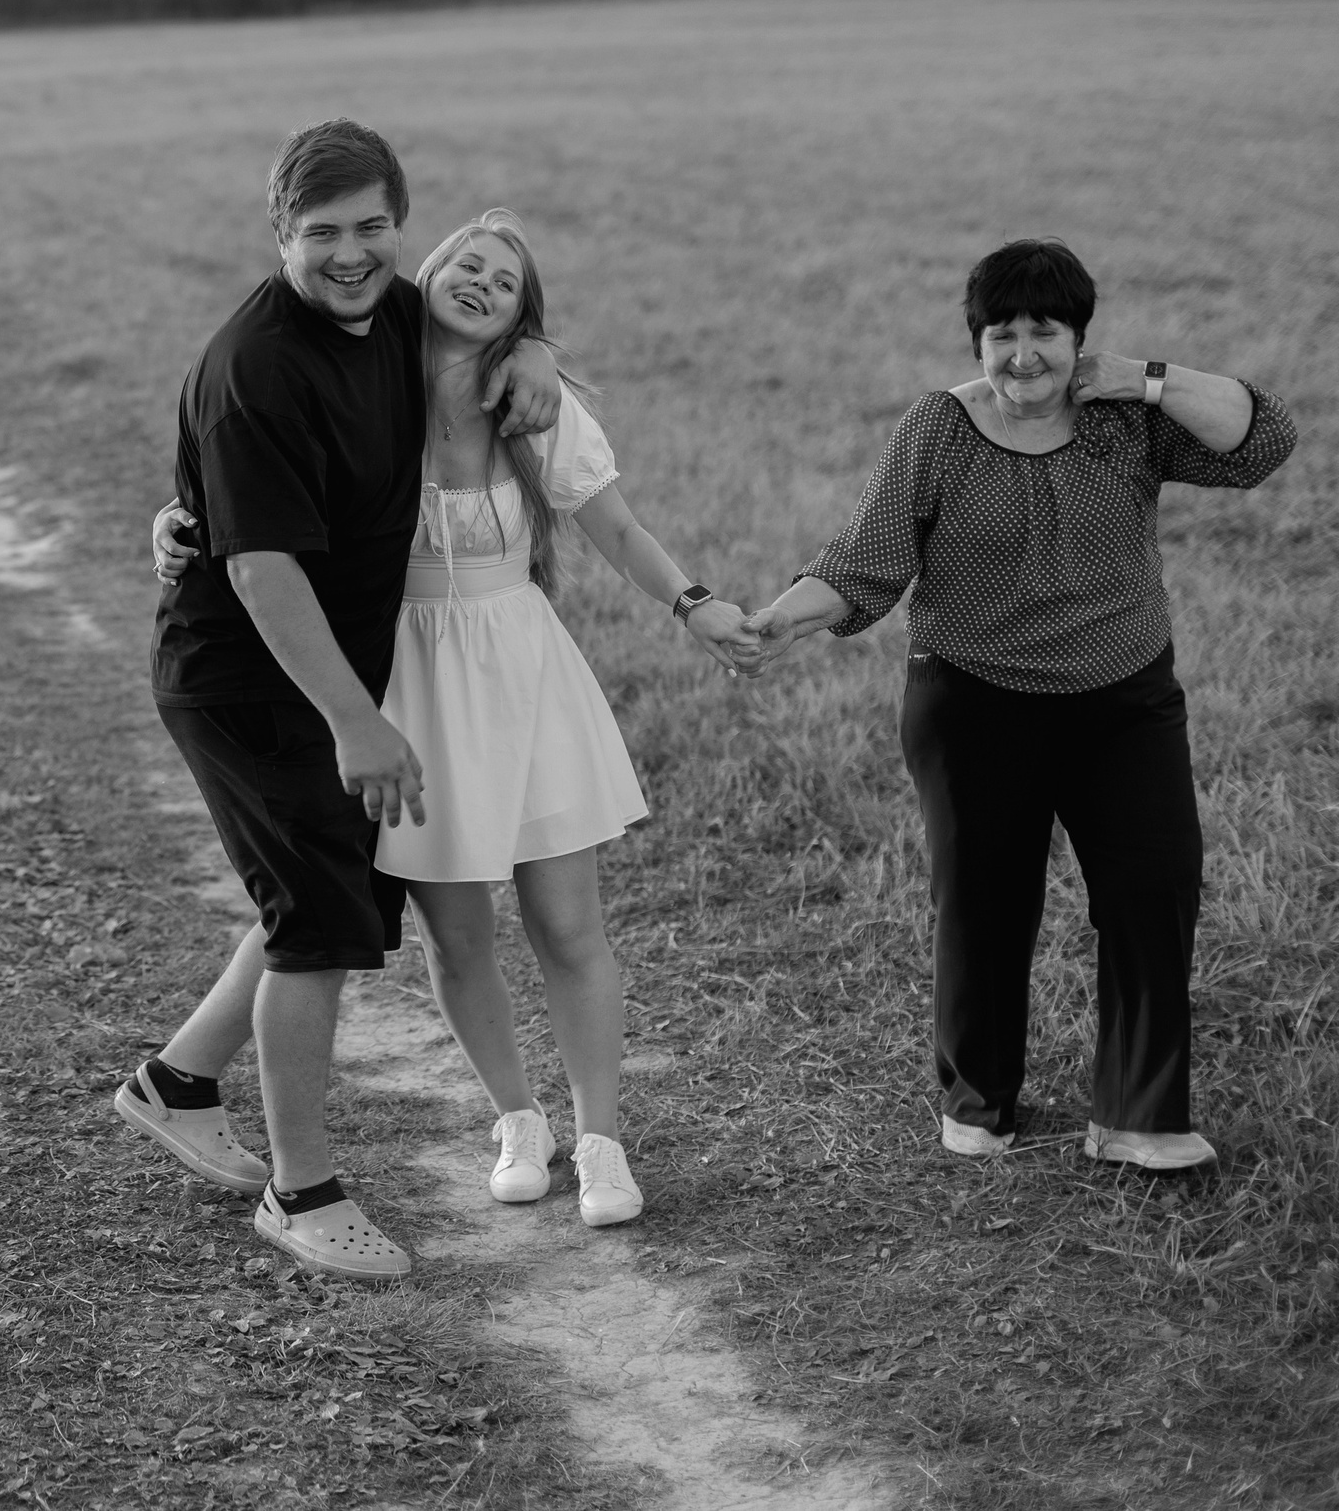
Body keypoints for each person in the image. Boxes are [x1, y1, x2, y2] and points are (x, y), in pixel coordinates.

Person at [159, 209, 758, 1227]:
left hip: (522, 676)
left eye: (507, 280)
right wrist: (181, 523)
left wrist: (692, 604)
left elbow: (610, 521)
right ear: (425, 275)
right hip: (407, 684)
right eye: (466, 262)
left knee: (567, 924)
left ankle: (602, 1138)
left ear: (526, 314)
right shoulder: (364, 379)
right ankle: (516, 1117)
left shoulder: (531, 397)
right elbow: (262, 485)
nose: (480, 280)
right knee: (457, 934)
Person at [743, 238, 1297, 1171]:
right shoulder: (938, 430)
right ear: (977, 343)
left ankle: (1139, 1115)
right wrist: (778, 621)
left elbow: (1262, 441)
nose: (1024, 355)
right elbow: (864, 561)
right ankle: (979, 1102)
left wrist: (1149, 379)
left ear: (1081, 341)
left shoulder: (1126, 420)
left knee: (1153, 891)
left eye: (1046, 332)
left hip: (1124, 694)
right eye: (1003, 335)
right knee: (985, 905)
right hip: (974, 698)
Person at [118, 122, 563, 1282]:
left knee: (336, 896)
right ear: (280, 235)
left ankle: (174, 1084)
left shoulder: (399, 311)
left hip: (330, 673)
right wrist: (354, 722)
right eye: (322, 233)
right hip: (252, 682)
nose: (351, 253)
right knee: (318, 921)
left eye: (372, 227)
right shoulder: (254, 369)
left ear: (398, 227)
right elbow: (261, 572)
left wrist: (540, 356)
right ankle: (301, 1191)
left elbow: (489, 325)